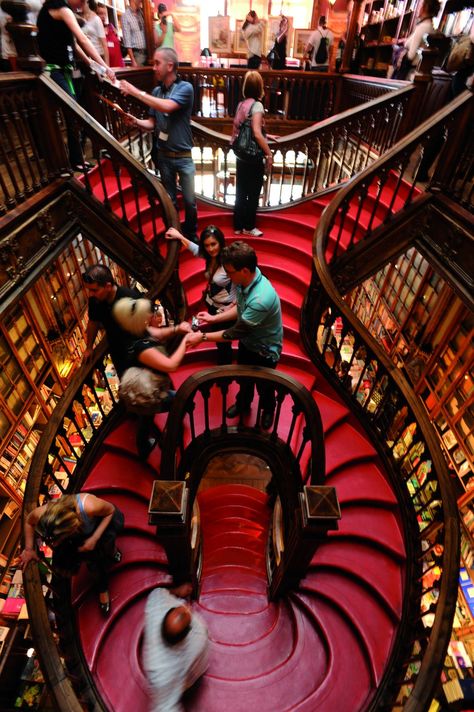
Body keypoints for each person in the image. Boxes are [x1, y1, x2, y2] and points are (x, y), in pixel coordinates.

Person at [195, 241, 283, 431]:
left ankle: (268, 410)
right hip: (249, 342)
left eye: (230, 271)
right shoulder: (246, 280)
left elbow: (235, 332)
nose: (227, 275)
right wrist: (213, 319)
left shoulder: (261, 298)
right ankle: (243, 403)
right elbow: (240, 309)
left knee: (265, 386)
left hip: (265, 350)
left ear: (244, 270)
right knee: (244, 380)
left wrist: (202, 337)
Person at [120, 48, 198, 244]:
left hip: (183, 155)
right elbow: (152, 124)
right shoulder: (156, 91)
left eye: (157, 63)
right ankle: (174, 233)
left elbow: (168, 107)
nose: (153, 67)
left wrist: (135, 92)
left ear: (170, 66)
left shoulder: (185, 88)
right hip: (163, 155)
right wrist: (136, 122)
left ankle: (190, 234)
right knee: (169, 200)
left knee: (189, 201)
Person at [112, 296, 199, 456]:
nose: (151, 315)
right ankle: (171, 437)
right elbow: (171, 365)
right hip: (148, 390)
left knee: (146, 418)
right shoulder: (141, 348)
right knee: (182, 401)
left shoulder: (135, 330)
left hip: (148, 386)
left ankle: (143, 447)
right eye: (147, 313)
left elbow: (157, 333)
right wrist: (186, 341)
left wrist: (177, 329)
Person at [36, 0, 115, 171]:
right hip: (54, 71)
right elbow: (83, 41)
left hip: (67, 71)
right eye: (82, 0)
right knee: (72, 112)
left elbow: (75, 45)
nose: (82, 4)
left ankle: (76, 159)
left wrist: (94, 65)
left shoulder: (63, 11)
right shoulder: (60, 8)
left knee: (74, 114)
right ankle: (64, 164)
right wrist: (106, 67)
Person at [20, 492, 124, 616]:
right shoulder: (42, 514)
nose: (57, 542)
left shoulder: (89, 506)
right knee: (93, 561)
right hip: (85, 534)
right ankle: (102, 587)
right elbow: (29, 521)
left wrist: (95, 537)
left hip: (102, 524)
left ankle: (113, 552)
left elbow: (110, 511)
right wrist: (28, 549)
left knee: (106, 545)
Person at [165, 225, 237, 365]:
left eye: (213, 244)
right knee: (218, 341)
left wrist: (232, 306)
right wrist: (180, 237)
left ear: (220, 242)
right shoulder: (210, 256)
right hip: (212, 305)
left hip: (225, 308)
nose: (211, 249)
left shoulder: (228, 262)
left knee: (224, 343)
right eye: (207, 245)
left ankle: (225, 370)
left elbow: (241, 286)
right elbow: (196, 249)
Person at [143, 586, 209, 711]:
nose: (187, 607)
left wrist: (177, 591)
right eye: (187, 612)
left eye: (182, 609)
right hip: (184, 680)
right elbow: (164, 707)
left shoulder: (158, 605)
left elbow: (158, 592)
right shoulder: (161, 673)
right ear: (186, 634)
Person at [231, 71, 272, 238]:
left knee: (241, 190)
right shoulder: (257, 105)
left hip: (240, 153)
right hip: (253, 155)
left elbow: (245, 129)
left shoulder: (241, 104)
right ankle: (249, 226)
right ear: (259, 88)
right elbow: (255, 132)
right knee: (254, 191)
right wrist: (268, 154)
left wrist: (267, 136)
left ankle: (238, 226)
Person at [392, 0, 441, 80]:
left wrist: (398, 50)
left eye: (420, 5)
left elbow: (411, 55)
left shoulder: (422, 27)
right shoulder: (430, 27)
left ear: (425, 8)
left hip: (409, 75)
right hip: (416, 73)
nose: (418, 8)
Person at [97, 2, 124, 67]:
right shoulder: (96, 31)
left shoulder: (112, 28)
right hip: (107, 68)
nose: (103, 16)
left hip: (120, 67)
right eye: (101, 13)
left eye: (105, 14)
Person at [121, 0, 147, 67]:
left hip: (148, 52)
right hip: (137, 54)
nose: (141, 1)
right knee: (142, 77)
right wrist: (133, 60)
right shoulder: (125, 16)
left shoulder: (142, 13)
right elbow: (127, 41)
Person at [81, 0, 108, 64]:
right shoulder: (81, 19)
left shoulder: (96, 19)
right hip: (86, 57)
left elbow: (104, 44)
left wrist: (107, 66)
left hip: (98, 57)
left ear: (87, 2)